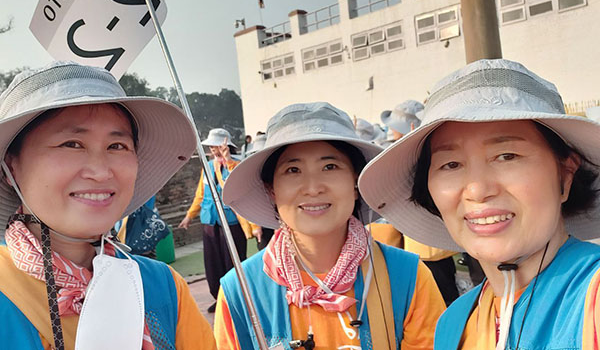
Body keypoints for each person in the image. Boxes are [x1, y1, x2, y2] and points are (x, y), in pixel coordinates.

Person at [359, 58, 600, 349]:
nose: (477, 189)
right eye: (450, 164)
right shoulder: (454, 324)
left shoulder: (591, 296)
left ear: (565, 174)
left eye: (507, 156)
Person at [0, 61, 215, 349]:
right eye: (72, 144)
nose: (101, 172)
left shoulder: (163, 288)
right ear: (10, 166)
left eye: (117, 146)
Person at [214, 102, 446, 349]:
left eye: (330, 167)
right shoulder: (240, 292)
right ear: (271, 189)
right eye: (293, 170)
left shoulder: (407, 277)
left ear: (356, 182)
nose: (313, 188)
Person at [381, 100, 460, 306]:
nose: (391, 131)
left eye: (396, 126)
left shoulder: (420, 156)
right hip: (420, 245)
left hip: (429, 245)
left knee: (440, 298)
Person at [178, 128, 252, 313]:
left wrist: (227, 161)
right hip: (210, 221)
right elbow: (200, 195)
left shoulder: (236, 164)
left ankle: (236, 298)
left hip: (231, 220)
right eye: (210, 146)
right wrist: (189, 216)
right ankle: (218, 297)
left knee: (233, 262)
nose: (212, 149)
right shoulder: (207, 167)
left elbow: (239, 186)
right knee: (213, 263)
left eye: (215, 145)